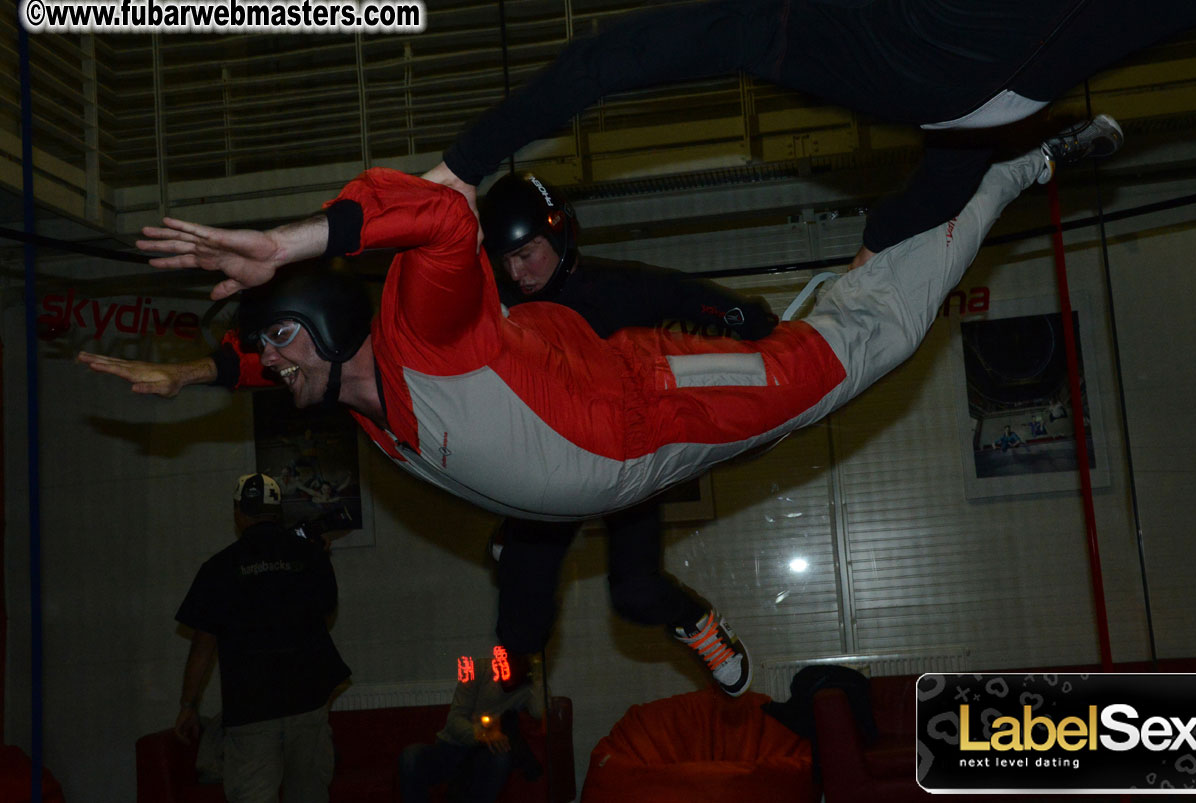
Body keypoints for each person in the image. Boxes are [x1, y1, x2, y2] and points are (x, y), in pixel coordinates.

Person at [76, 119, 1121, 525]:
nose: (269, 359)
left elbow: (443, 213)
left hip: (650, 409)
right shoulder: (362, 400)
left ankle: (1006, 167)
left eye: (274, 337)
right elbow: (284, 369)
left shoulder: (416, 333)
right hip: (633, 446)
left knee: (864, 348)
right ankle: (935, 196)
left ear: (313, 315)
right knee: (855, 314)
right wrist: (194, 376)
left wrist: (289, 241)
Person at [419, 0, 1196, 265]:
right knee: (947, 175)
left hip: (979, 101)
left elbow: (621, 56)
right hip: (957, 89)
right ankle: (971, 192)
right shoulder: (814, 20)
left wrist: (465, 163)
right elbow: (622, 57)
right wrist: (466, 162)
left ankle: (996, 181)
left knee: (948, 179)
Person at [481, 173, 773, 697]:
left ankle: (700, 624)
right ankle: (513, 535)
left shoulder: (609, 287)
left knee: (636, 593)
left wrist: (738, 314)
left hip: (625, 455)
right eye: (505, 260)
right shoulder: (499, 303)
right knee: (521, 628)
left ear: (561, 233)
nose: (517, 272)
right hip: (551, 466)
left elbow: (681, 295)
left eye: (527, 254)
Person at [174, 473, 351, 803]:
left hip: (251, 710)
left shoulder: (219, 568)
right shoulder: (310, 555)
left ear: (238, 513)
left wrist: (188, 705)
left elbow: (203, 645)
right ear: (277, 512)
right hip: (307, 704)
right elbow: (327, 613)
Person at [397, 650, 546, 803]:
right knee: (411, 756)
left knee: (501, 758)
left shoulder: (526, 686)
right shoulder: (479, 670)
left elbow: (540, 711)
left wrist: (537, 674)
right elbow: (455, 720)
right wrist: (482, 734)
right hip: (450, 748)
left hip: (482, 756)